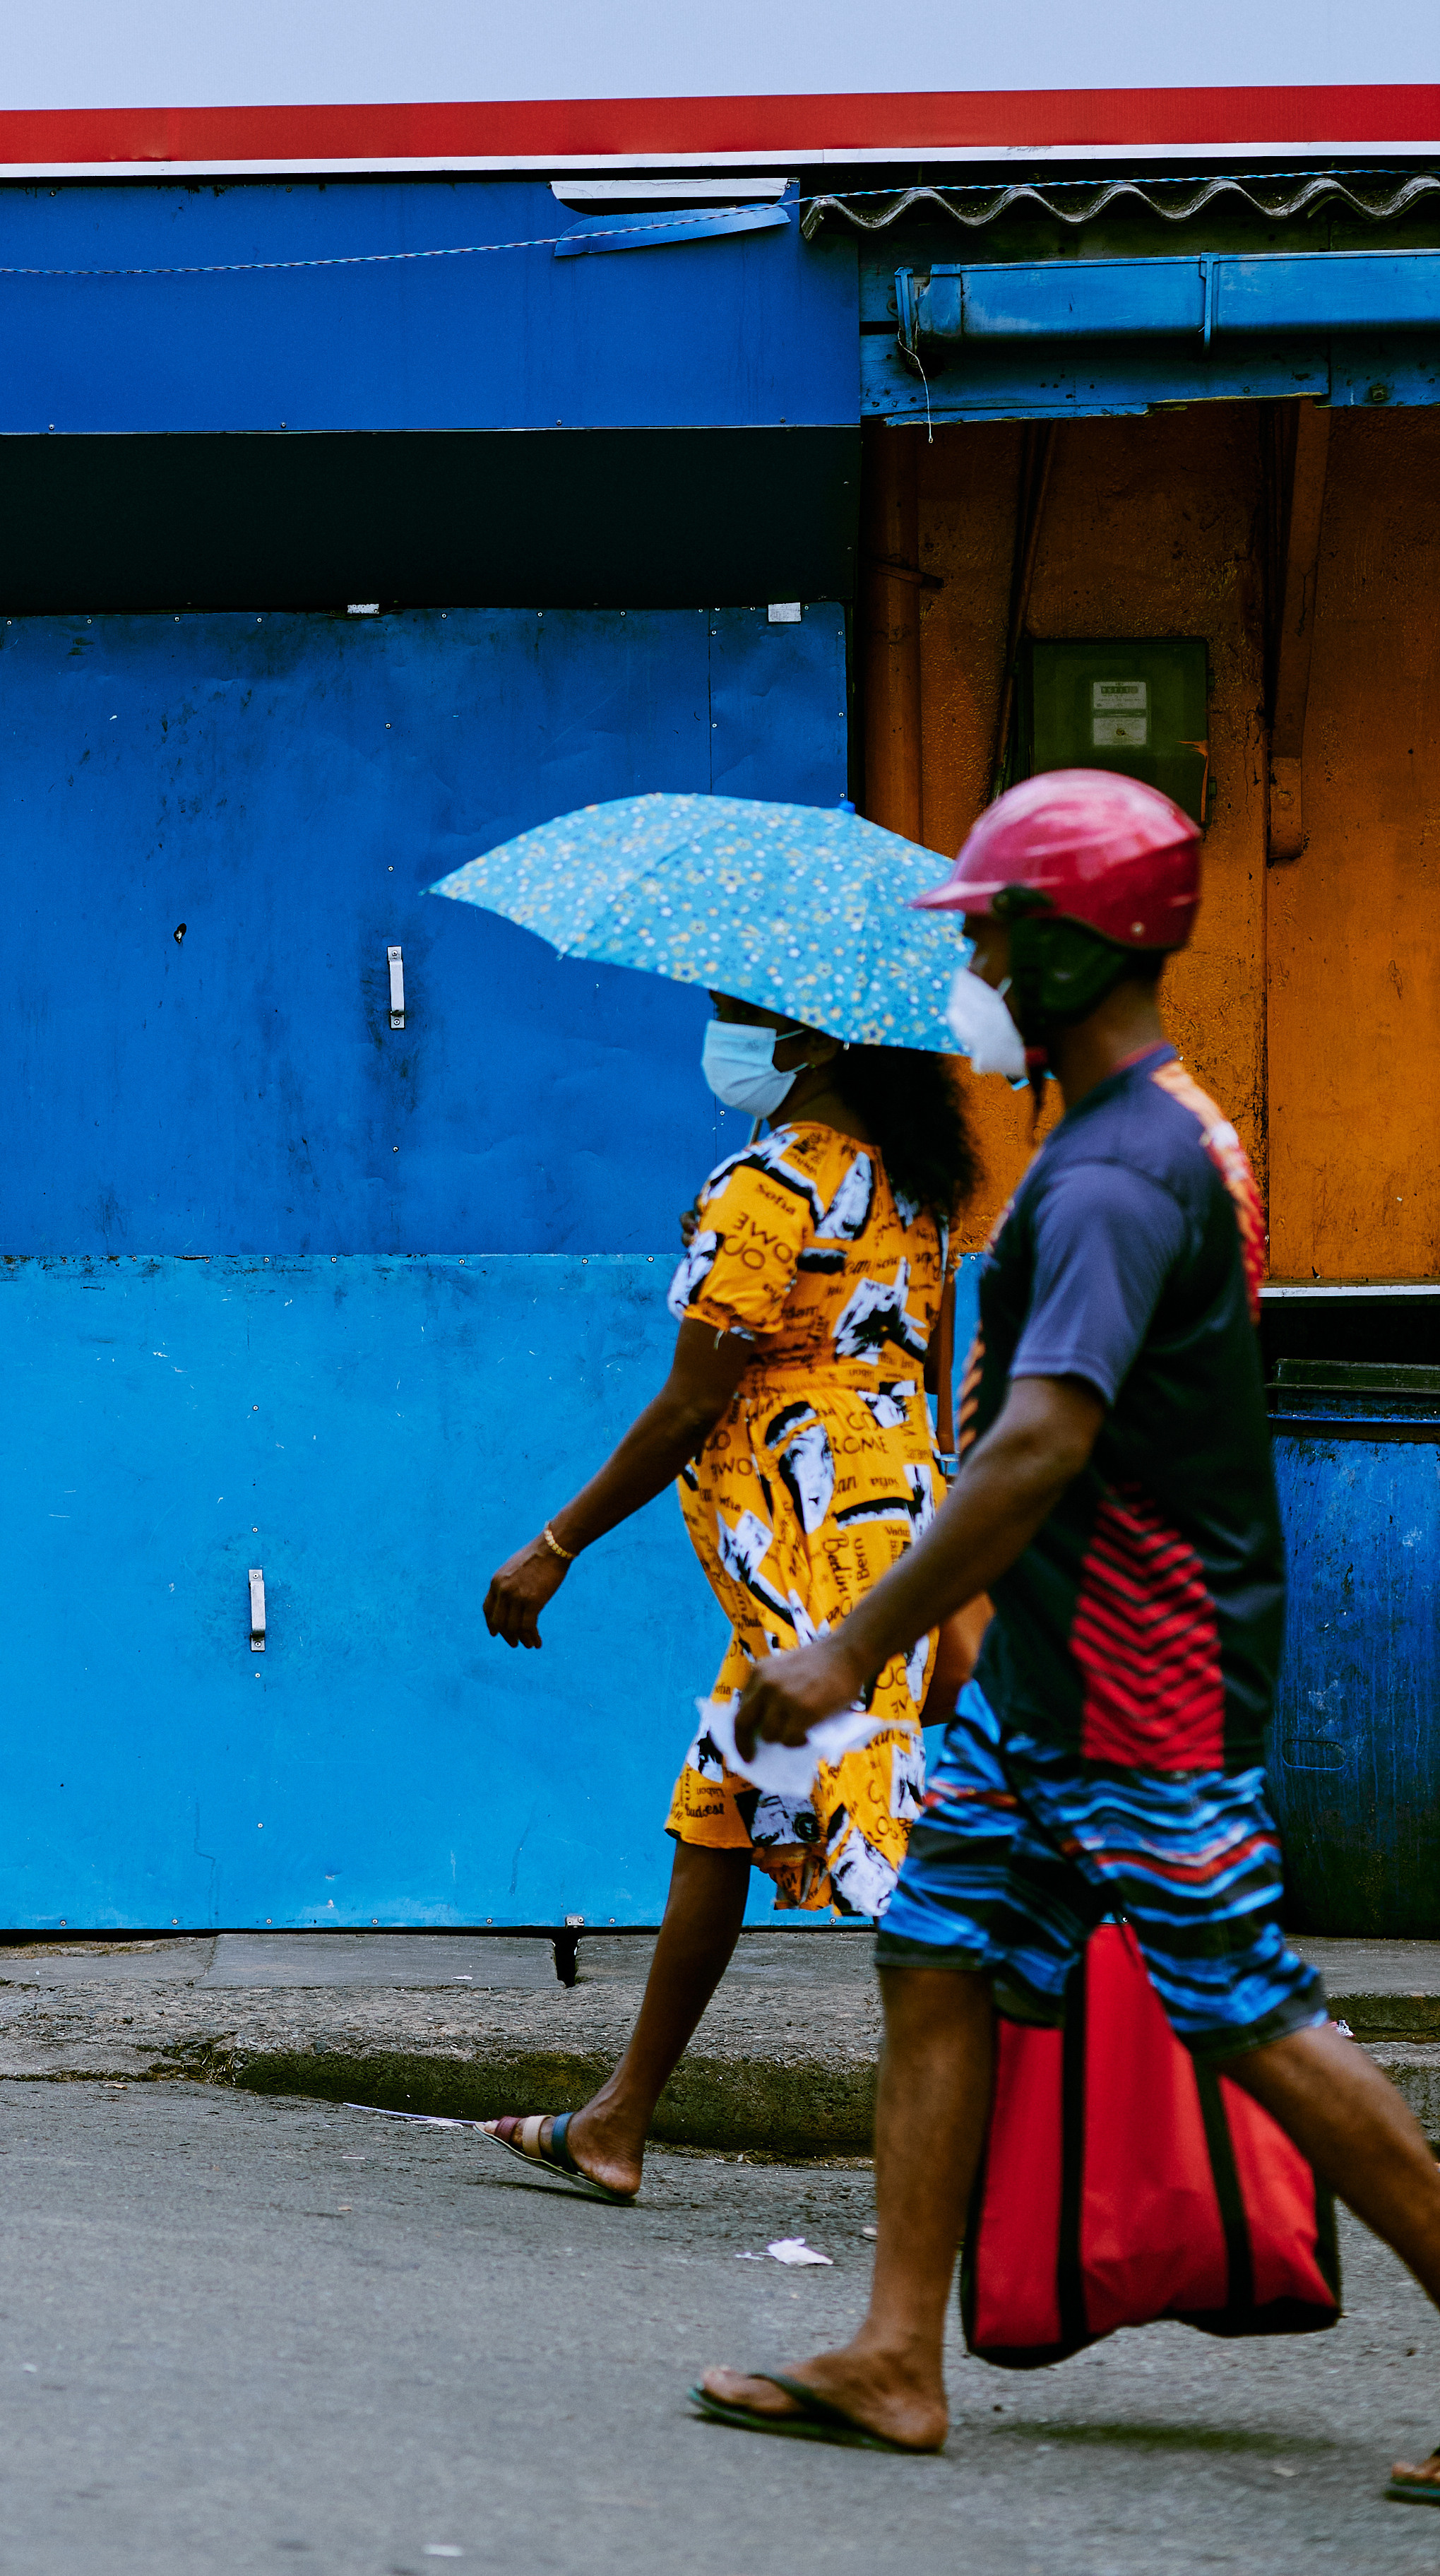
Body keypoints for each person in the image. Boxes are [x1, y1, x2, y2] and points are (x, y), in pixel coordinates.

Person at [694, 772, 1440, 2505]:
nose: (976, 972)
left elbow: (1042, 1437)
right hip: (1048, 1670)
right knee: (934, 1951)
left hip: (1138, 1678)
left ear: (1078, 943)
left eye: (999, 932)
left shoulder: (1117, 1172)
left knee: (1242, 2001)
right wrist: (967, 1627)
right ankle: (892, 2355)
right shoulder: (1150, 1130)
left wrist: (846, 1644)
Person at [479, 991, 984, 2204]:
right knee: (718, 1816)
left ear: (811, 1041)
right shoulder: (917, 1183)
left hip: (822, 1560)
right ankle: (617, 2121)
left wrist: (556, 1542)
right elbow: (923, 1385)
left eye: (736, 1014)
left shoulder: (768, 1190)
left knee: (889, 1831)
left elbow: (692, 1402)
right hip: (874, 1533)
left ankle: (1088, 2107)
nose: (722, 1036)